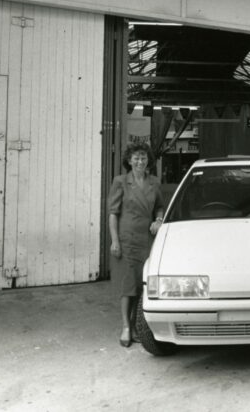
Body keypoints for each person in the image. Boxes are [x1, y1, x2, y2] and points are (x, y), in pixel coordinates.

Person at [108, 142, 165, 347]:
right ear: (129, 161)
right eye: (136, 158)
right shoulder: (121, 182)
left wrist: (158, 220)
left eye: (143, 157)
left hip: (146, 241)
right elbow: (113, 214)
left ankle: (135, 326)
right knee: (127, 286)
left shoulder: (154, 183)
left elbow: (159, 207)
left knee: (142, 286)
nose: (140, 161)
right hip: (126, 240)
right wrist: (114, 241)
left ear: (148, 160)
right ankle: (125, 327)